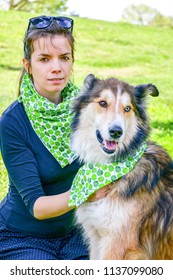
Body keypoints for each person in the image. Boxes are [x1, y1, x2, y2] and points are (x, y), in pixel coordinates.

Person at [0, 15, 110, 260]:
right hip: (22, 238)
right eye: (44, 59)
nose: (57, 68)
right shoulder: (13, 122)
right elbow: (37, 207)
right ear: (27, 65)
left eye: (64, 58)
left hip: (76, 233)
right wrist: (85, 192)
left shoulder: (88, 109)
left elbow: (122, 156)